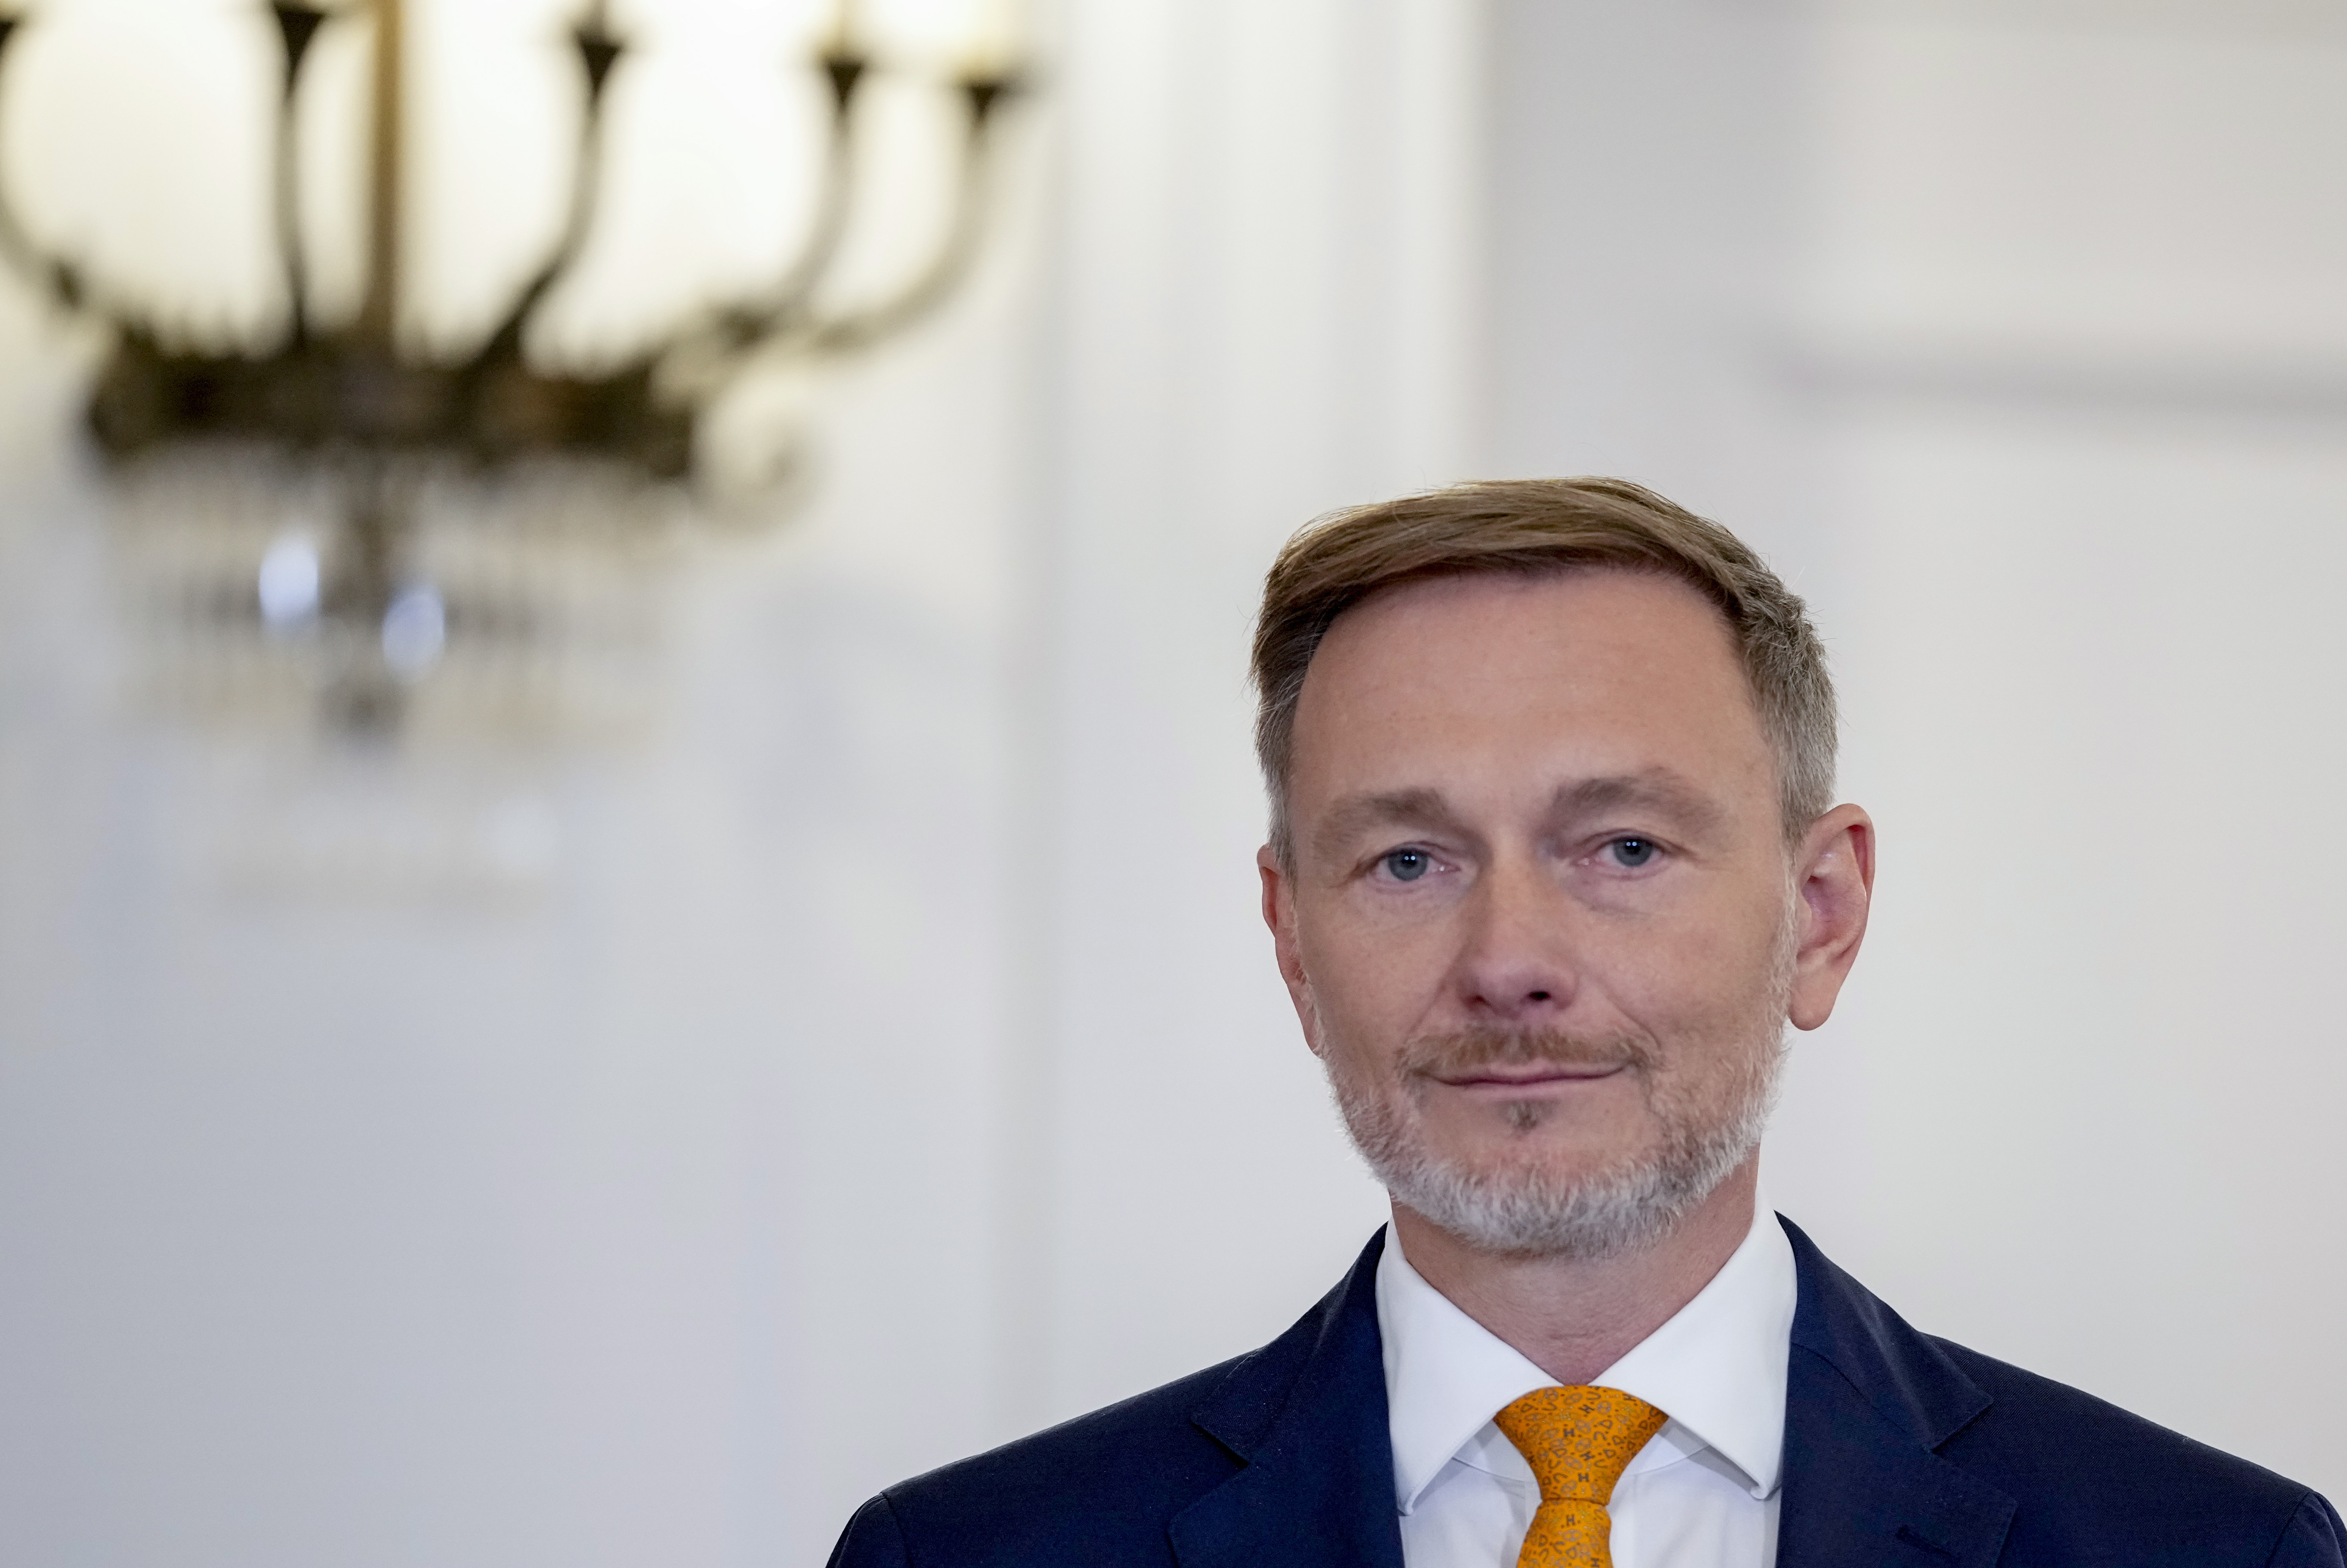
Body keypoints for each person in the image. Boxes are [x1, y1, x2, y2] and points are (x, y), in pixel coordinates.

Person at [825, 478, 2344, 1568]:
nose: (1510, 960)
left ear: (1818, 913)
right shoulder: (963, 1553)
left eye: (1619, 847)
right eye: (1407, 859)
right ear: (1292, 940)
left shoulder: (2212, 1548)